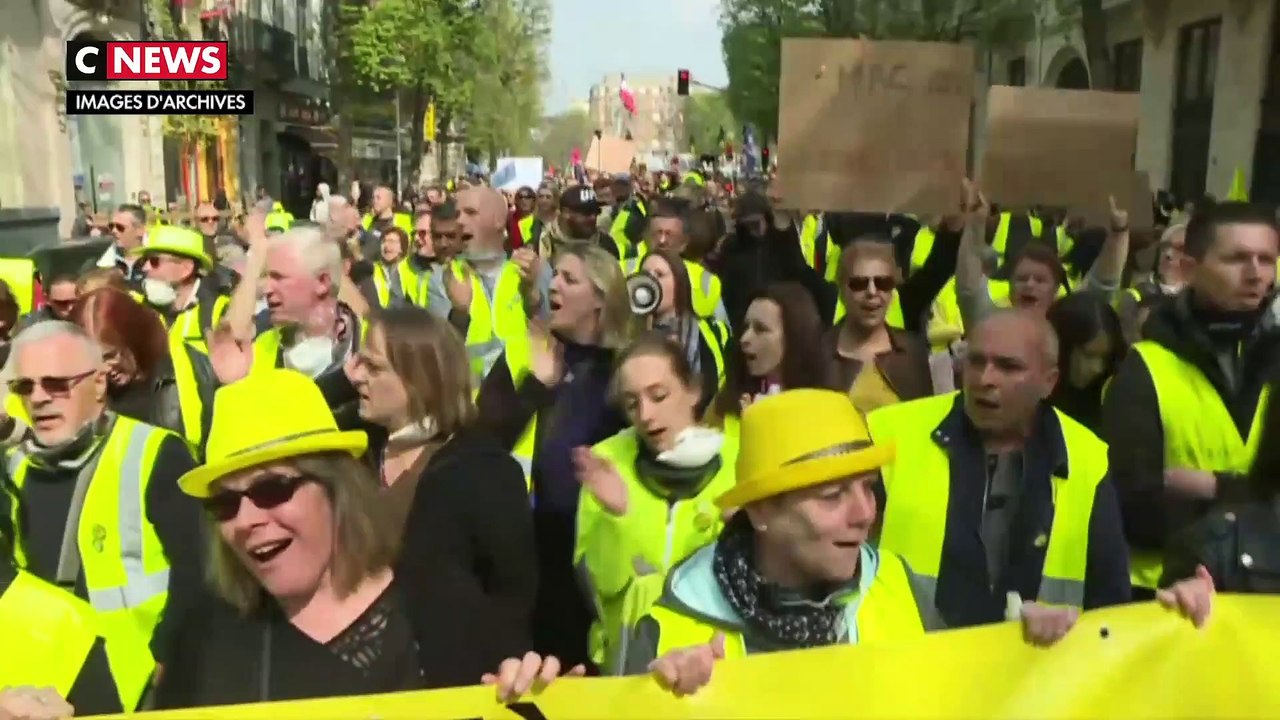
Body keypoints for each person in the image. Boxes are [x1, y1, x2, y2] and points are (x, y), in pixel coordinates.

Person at [148, 369, 528, 705]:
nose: (246, 520)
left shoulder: (444, 609)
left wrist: (535, 692)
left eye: (272, 490)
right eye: (226, 504)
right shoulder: (204, 638)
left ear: (336, 489)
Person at [867, 310, 1131, 630]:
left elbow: (1111, 611)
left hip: (1033, 669)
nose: (984, 379)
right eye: (976, 361)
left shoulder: (1087, 459)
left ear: (1048, 381)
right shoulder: (892, 432)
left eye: (1008, 367)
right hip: (907, 667)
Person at [0, 320, 202, 711]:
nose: (39, 398)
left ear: (98, 384)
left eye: (57, 384)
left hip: (143, 691)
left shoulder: (155, 452)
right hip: (45, 694)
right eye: (25, 387)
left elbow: (197, 575)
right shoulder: (12, 470)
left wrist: (164, 666)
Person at [476, 244, 638, 671]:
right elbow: (480, 439)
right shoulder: (522, 352)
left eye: (570, 279)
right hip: (524, 546)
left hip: (593, 551)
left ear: (602, 296)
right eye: (555, 277)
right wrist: (537, 387)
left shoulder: (626, 371)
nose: (554, 287)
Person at [1106, 201, 1280, 598]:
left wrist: (1215, 487)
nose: (1255, 273)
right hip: (1164, 594)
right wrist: (1253, 503)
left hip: (1264, 594)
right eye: (1236, 258)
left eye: (1266, 259)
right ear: (1190, 266)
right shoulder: (1145, 368)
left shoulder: (1276, 361)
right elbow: (1132, 508)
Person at [344, 306, 536, 662]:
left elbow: (514, 599)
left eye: (374, 367)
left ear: (418, 378)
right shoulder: (353, 454)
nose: (356, 377)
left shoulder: (483, 471)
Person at [574, 333, 738, 672]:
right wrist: (618, 518)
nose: (646, 415)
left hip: (713, 662)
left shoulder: (738, 460)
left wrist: (742, 533)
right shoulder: (608, 462)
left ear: (693, 390)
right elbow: (596, 588)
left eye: (659, 395)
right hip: (630, 667)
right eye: (632, 403)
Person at [70, 288, 217, 452]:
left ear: (133, 338)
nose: (103, 368)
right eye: (94, 360)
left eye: (110, 356)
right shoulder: (81, 391)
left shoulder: (199, 372)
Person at [823, 240, 934, 415]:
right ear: (841, 288)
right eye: (859, 283)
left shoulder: (913, 350)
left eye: (883, 283)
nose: (872, 292)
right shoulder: (817, 353)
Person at [709, 283, 829, 427]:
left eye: (761, 329)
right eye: (745, 327)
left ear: (794, 337)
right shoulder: (725, 400)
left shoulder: (822, 406)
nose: (744, 338)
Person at [636, 249, 729, 411]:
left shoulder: (706, 331)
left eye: (659, 274)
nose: (650, 281)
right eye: (645, 274)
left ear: (678, 283)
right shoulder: (629, 333)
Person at [133, 225, 230, 352]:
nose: (145, 268)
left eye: (154, 261)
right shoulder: (140, 308)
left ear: (186, 268)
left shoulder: (219, 312)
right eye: (144, 260)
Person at [1045, 292, 1126, 431]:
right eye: (1088, 355)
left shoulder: (1115, 402)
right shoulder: (1030, 399)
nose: (1097, 368)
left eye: (1104, 358)